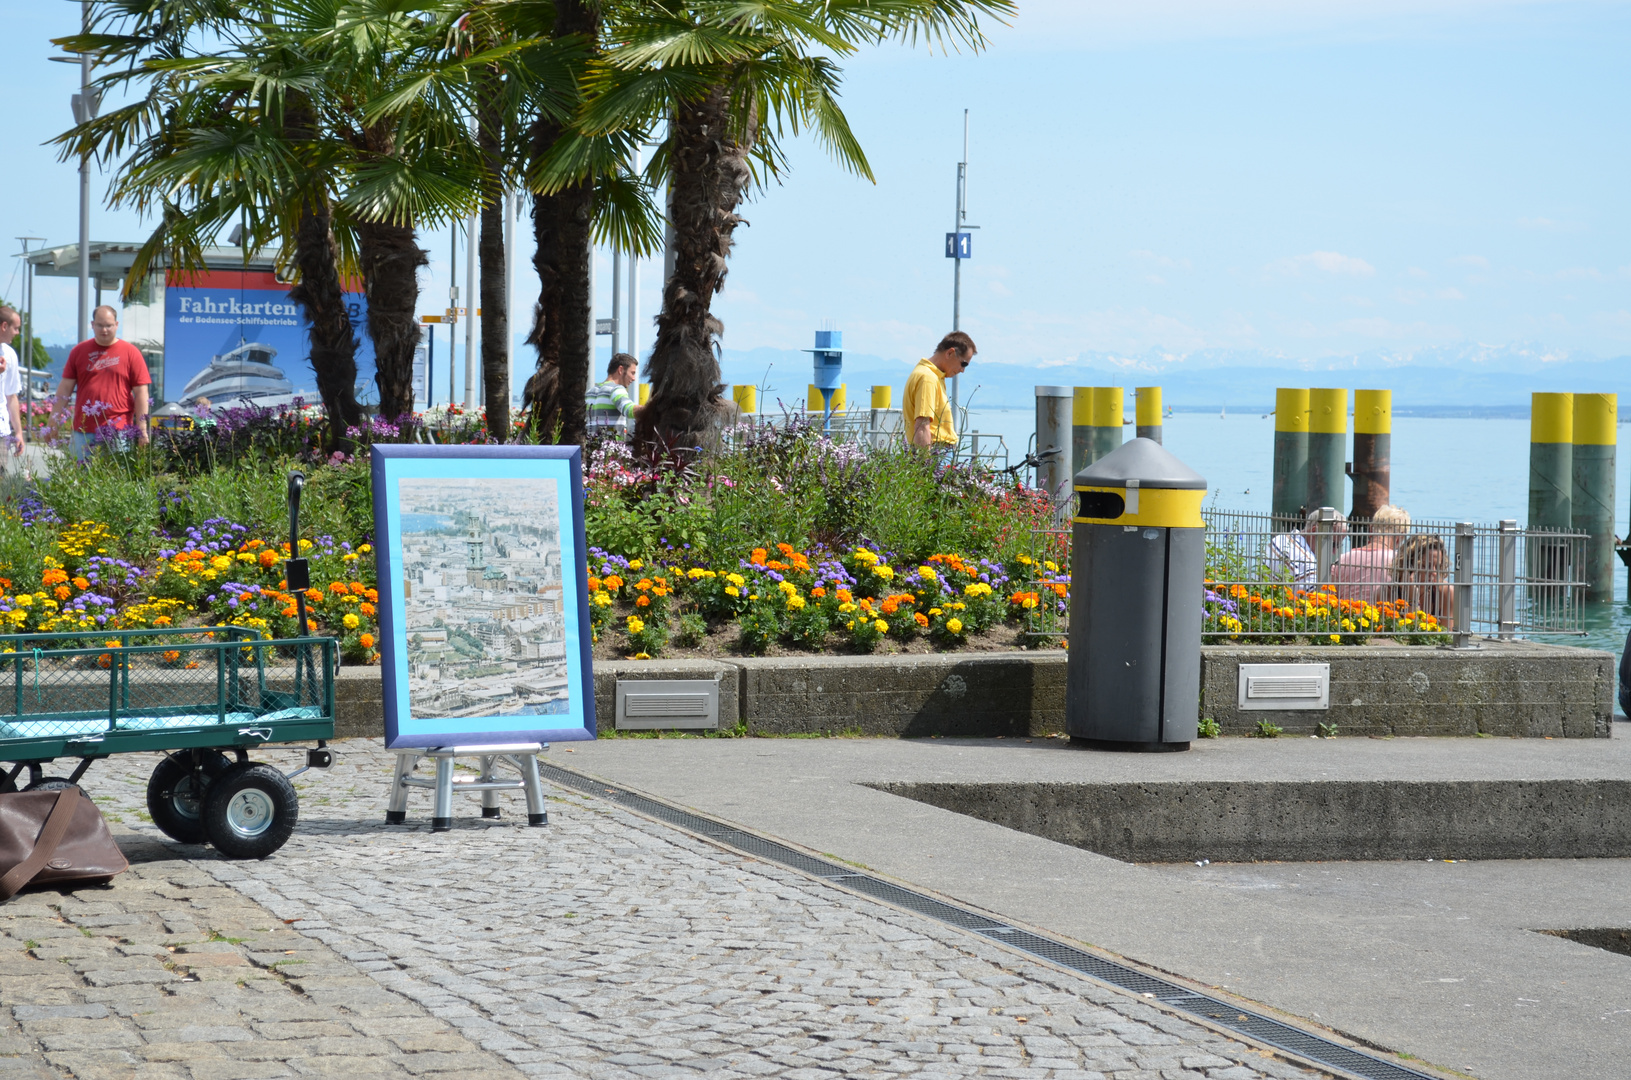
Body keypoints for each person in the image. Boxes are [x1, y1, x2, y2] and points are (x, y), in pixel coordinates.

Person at [54, 305, 151, 458]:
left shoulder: (131, 353)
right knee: (80, 477)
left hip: (119, 430)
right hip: (84, 430)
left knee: (116, 476)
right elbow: (65, 389)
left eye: (109, 325)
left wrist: (142, 429)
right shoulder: (79, 351)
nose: (104, 330)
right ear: (92, 325)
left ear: (117, 325)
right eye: (99, 325)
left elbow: (142, 393)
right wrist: (53, 421)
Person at [903, 331, 975, 454]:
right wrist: (925, 467)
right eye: (963, 364)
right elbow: (922, 425)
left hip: (937, 452)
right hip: (936, 453)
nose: (962, 370)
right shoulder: (928, 378)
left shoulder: (931, 375)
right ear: (950, 353)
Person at [1331, 504, 1410, 603]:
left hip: (1347, 615)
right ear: (1400, 537)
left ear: (1371, 529)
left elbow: (1331, 596)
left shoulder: (1342, 559)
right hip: (1384, 616)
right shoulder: (1399, 561)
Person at [1266, 507, 1347, 586]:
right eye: (1333, 544)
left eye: (1338, 545)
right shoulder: (1308, 565)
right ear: (1315, 532)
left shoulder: (1279, 539)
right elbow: (1319, 598)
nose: (1334, 552)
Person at [1386, 532, 1452, 620]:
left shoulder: (1445, 592)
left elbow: (1448, 633)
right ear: (1409, 565)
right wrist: (1412, 600)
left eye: (1437, 566)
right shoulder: (1387, 592)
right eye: (1426, 566)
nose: (1434, 573)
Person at [0, 308, 28, 473]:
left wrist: (18, 432)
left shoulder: (9, 354)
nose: (17, 333)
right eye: (16, 328)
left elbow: (11, 396)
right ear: (4, 326)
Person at [585, 353, 641, 433]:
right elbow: (629, 410)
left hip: (590, 445)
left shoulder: (590, 393)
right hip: (611, 445)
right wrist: (651, 409)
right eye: (632, 373)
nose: (634, 378)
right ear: (620, 370)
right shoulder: (616, 390)